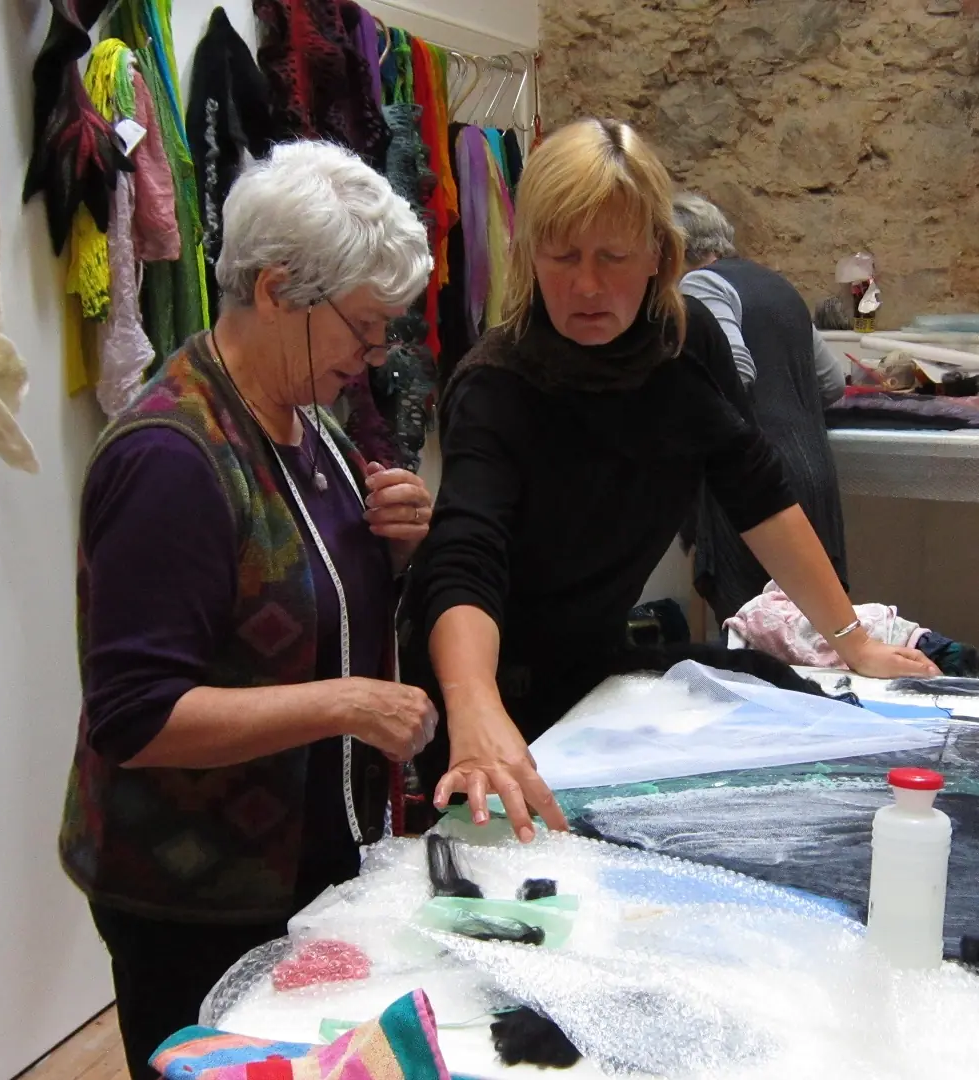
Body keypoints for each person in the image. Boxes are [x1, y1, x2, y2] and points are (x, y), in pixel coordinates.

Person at [398, 118, 940, 844]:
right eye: (562, 257)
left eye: (613, 257)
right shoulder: (498, 385)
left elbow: (756, 491)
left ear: (659, 254)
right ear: (528, 255)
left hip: (594, 673)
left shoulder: (687, 345)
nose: (586, 285)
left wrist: (852, 642)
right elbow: (465, 559)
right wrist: (473, 710)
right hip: (488, 698)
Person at [58, 140, 439, 1080]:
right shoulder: (169, 459)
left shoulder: (302, 422)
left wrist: (396, 543)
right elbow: (137, 718)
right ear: (277, 291)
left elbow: (317, 603)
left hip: (298, 873)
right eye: (363, 326)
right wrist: (346, 704)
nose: (375, 354)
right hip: (197, 898)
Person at [673, 192, 849, 624]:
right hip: (812, 476)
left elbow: (733, 370)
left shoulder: (701, 284)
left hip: (754, 484)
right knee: (810, 633)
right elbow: (832, 384)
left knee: (754, 634)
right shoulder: (777, 285)